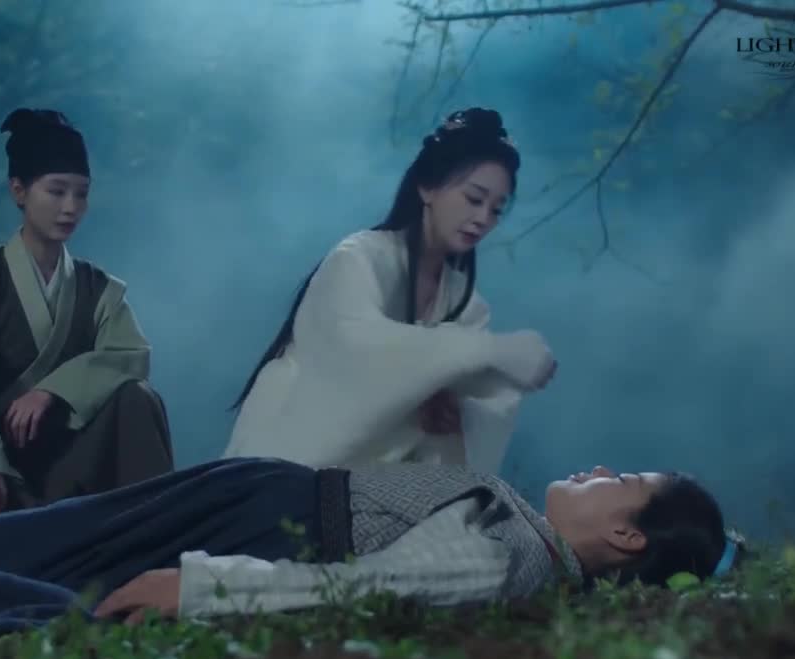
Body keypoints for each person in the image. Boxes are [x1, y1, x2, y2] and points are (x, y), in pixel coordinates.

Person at [0, 459, 734, 631]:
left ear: (625, 533)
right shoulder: (524, 542)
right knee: (36, 543)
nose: (597, 467)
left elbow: (360, 588)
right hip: (253, 503)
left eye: (622, 477)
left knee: (33, 548)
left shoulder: (510, 556)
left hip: (247, 530)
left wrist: (202, 589)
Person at [223, 107, 557, 474]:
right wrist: (486, 352)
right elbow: (355, 352)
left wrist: (452, 403)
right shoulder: (358, 258)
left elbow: (479, 401)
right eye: (474, 199)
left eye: (496, 209)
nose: (483, 219)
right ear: (428, 186)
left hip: (375, 477)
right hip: (287, 456)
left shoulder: (467, 304)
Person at [0, 107, 175, 528]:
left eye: (81, 194)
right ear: (19, 191)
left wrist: (52, 391)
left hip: (68, 469)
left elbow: (131, 355)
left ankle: (155, 535)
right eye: (57, 191)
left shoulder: (100, 290)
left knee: (137, 397)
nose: (70, 207)